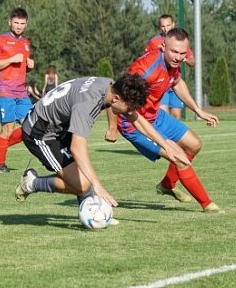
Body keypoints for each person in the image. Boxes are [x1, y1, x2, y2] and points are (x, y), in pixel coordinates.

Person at [15, 75, 188, 215]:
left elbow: (137, 120)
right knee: (84, 184)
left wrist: (167, 147)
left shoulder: (109, 87)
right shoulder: (88, 103)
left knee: (83, 179)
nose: (130, 112)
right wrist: (98, 186)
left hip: (60, 127)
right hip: (41, 133)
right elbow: (77, 147)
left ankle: (92, 212)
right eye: (129, 107)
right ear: (117, 99)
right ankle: (32, 183)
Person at [106, 28, 223, 214]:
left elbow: (177, 83)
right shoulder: (145, 69)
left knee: (194, 145)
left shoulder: (173, 66)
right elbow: (114, 93)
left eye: (182, 53)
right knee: (180, 158)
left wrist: (199, 111)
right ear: (163, 47)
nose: (178, 57)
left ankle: (167, 185)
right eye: (174, 52)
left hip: (156, 116)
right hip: (135, 124)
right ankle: (207, 204)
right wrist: (112, 127)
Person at [0, 7, 34, 173]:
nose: (19, 26)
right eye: (16, 23)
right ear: (9, 22)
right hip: (5, 91)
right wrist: (11, 58)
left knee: (33, 126)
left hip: (21, 93)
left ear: (26, 24)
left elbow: (20, 68)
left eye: (22, 23)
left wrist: (29, 67)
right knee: (7, 129)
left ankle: (2, 144)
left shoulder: (26, 43)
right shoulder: (0, 40)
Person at [145, 14, 196, 120]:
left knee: (176, 116)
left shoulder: (179, 42)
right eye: (163, 26)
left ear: (173, 24)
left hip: (175, 82)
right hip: (161, 82)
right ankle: (159, 136)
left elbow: (192, 62)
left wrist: (186, 59)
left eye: (168, 25)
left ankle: (171, 136)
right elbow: (147, 60)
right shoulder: (154, 42)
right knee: (163, 115)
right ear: (160, 27)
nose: (165, 28)